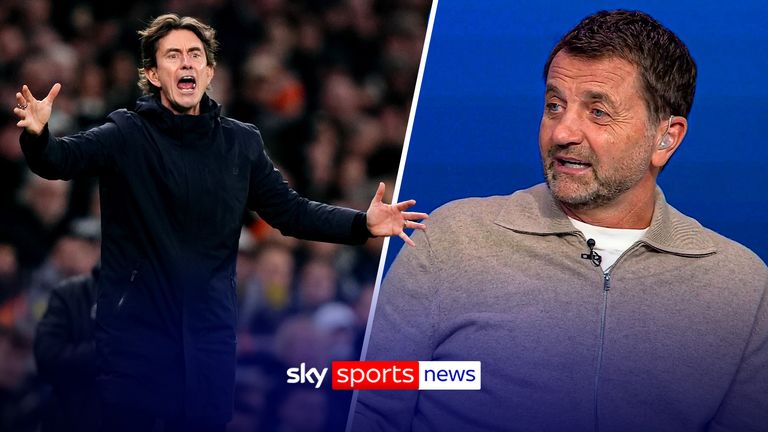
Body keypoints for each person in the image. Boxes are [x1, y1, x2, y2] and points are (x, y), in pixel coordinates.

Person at [352, 10, 767, 432]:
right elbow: (368, 408)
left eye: (598, 112)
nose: (562, 131)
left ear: (665, 138)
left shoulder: (741, 286)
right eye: (555, 105)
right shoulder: (451, 241)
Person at [12, 14, 427, 432]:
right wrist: (38, 135)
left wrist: (362, 224)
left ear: (209, 71)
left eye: (196, 55)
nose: (187, 63)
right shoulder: (126, 133)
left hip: (209, 343)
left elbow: (290, 211)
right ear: (153, 74)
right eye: (173, 56)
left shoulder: (241, 142)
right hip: (136, 344)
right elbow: (58, 160)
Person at [34, 264, 100, 432]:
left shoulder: (153, 296)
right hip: (68, 420)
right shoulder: (70, 292)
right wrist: (109, 349)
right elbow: (47, 356)